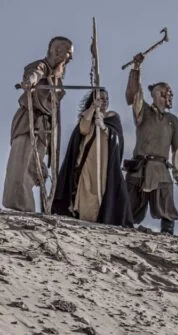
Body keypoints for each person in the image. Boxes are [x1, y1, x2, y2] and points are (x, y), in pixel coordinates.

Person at [4, 36, 73, 212]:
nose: (70, 58)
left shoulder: (57, 80)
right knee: (21, 165)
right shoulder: (41, 66)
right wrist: (30, 82)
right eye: (68, 53)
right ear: (57, 51)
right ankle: (18, 207)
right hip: (30, 123)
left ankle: (27, 207)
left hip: (44, 129)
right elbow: (34, 74)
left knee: (34, 169)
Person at [123, 53, 178, 234]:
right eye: (162, 91)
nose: (166, 94)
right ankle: (123, 228)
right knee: (130, 203)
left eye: (169, 92)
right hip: (141, 165)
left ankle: (168, 233)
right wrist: (136, 69)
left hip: (161, 169)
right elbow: (134, 96)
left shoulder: (172, 120)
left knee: (166, 203)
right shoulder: (144, 112)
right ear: (154, 94)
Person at [52, 89, 133, 226]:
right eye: (101, 98)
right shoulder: (87, 115)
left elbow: (117, 138)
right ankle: (85, 216)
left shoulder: (113, 117)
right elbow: (83, 129)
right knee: (85, 186)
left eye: (106, 98)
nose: (104, 101)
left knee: (101, 188)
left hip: (104, 162)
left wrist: (103, 126)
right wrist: (92, 109)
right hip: (88, 160)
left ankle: (100, 217)